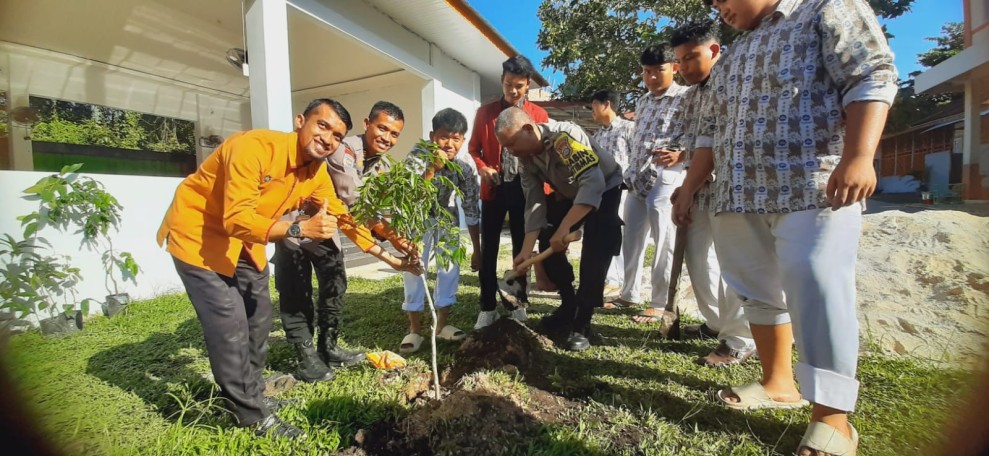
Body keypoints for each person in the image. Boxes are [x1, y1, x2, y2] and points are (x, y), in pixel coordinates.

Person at [673, 0, 897, 454]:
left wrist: (859, 156)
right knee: (755, 290)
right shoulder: (734, 53)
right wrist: (689, 187)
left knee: (815, 282)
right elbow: (711, 130)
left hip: (813, 186)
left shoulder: (826, 8)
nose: (718, 7)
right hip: (737, 194)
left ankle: (832, 418)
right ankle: (777, 382)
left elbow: (870, 75)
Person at [156, 99, 419, 439]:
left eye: (337, 135)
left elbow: (344, 217)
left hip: (246, 242)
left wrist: (391, 256)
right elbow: (236, 218)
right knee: (230, 324)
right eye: (322, 126)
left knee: (259, 317)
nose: (327, 138)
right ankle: (251, 416)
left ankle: (252, 395)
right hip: (200, 237)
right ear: (300, 121)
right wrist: (299, 228)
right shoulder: (253, 147)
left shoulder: (316, 172)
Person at [273, 101, 416, 383]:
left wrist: (399, 235)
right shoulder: (344, 151)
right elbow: (356, 202)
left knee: (335, 282)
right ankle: (305, 356)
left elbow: (379, 209)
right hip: (295, 223)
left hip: (329, 224)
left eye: (394, 134)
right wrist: (395, 240)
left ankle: (328, 347)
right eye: (382, 128)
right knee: (296, 290)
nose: (387, 138)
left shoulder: (383, 165)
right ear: (367, 124)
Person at [495, 107, 623, 352]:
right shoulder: (525, 159)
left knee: (596, 252)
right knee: (547, 239)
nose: (510, 151)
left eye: (511, 144)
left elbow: (593, 183)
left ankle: (582, 323)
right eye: (505, 147)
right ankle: (568, 304)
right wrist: (526, 251)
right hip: (570, 193)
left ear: (528, 129)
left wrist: (564, 229)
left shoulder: (564, 138)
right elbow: (534, 203)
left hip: (605, 188)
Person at [668, 20, 756, 367]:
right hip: (699, 187)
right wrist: (687, 186)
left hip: (734, 187)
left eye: (691, 57)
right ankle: (717, 323)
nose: (685, 67)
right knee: (698, 258)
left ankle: (740, 338)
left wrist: (696, 181)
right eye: (680, 61)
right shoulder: (690, 98)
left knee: (735, 263)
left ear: (714, 50)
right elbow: (697, 147)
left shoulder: (736, 79)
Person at [604, 44, 690, 325]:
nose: (651, 77)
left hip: (668, 175)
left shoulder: (686, 97)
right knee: (631, 238)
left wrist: (682, 154)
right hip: (637, 177)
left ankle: (660, 302)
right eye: (646, 71)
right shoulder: (642, 102)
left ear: (674, 68)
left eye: (658, 71)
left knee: (664, 239)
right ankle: (629, 293)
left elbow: (700, 132)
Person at [469, 55, 550, 330]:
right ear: (501, 80)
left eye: (518, 86)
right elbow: (474, 149)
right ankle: (487, 307)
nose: (512, 91)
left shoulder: (538, 115)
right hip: (494, 188)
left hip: (526, 190)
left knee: (521, 247)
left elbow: (543, 153)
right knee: (489, 249)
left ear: (528, 85)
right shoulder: (485, 113)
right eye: (507, 84)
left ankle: (518, 304)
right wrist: (483, 167)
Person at [399, 108, 482, 353]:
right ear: (432, 136)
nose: (449, 144)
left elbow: (471, 208)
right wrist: (432, 168)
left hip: (447, 218)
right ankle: (414, 329)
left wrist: (477, 250)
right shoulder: (417, 156)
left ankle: (442, 325)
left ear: (463, 140)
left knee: (449, 269)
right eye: (444, 137)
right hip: (418, 219)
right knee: (415, 269)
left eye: (456, 138)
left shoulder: (465, 166)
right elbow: (410, 197)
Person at [588, 89, 635, 303]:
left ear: (606, 104)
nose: (592, 111)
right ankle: (610, 279)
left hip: (624, 190)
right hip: (603, 194)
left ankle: (621, 283)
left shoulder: (628, 128)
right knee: (605, 235)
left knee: (621, 235)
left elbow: (637, 157)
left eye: (594, 105)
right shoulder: (597, 136)